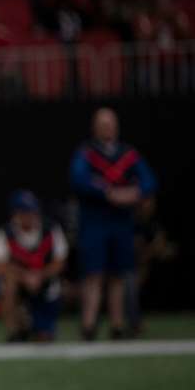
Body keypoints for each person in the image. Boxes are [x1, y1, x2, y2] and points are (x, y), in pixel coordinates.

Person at [70, 108, 157, 340]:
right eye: (102, 124)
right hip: (95, 222)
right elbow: (78, 179)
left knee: (119, 275)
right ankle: (89, 325)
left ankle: (117, 325)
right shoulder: (87, 153)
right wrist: (108, 193)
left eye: (110, 124)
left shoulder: (127, 154)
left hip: (121, 222)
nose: (107, 128)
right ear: (95, 127)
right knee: (93, 274)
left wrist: (134, 192)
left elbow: (149, 181)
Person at [0, 190, 68, 342]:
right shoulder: (4, 233)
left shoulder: (51, 229)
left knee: (44, 337)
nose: (30, 216)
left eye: (32, 211)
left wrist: (40, 275)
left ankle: (38, 325)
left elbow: (60, 262)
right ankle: (14, 330)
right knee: (7, 283)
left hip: (45, 284)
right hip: (20, 285)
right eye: (25, 212)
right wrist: (25, 276)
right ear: (15, 214)